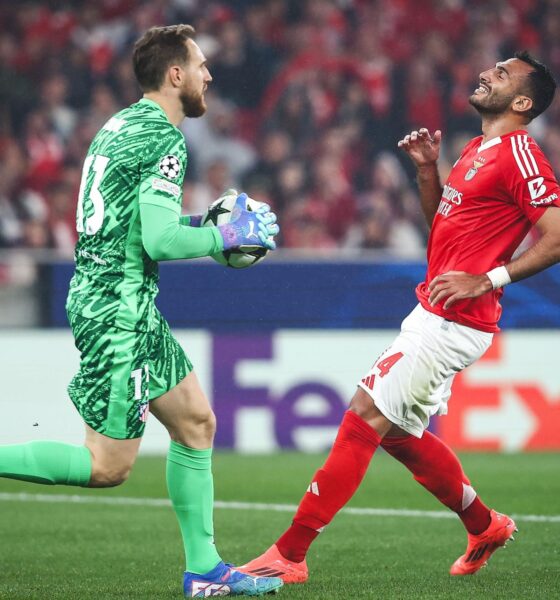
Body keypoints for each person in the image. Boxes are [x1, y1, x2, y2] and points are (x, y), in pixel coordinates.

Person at [240, 50, 560, 582]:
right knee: (392, 431)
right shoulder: (478, 149)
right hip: (433, 310)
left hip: (456, 318)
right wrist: (427, 172)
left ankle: (289, 555)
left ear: (523, 102)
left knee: (364, 414)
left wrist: (487, 279)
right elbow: (441, 231)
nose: (486, 73)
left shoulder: (522, 155)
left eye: (502, 73)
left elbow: (556, 237)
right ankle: (484, 525)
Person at [0, 25, 284, 598]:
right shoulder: (165, 140)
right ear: (175, 74)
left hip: (123, 298)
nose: (209, 75)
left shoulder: (120, 125)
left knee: (196, 423)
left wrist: (205, 225)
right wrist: (220, 238)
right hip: (118, 308)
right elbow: (158, 241)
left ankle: (205, 572)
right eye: (201, 65)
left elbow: (138, 226)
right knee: (107, 465)